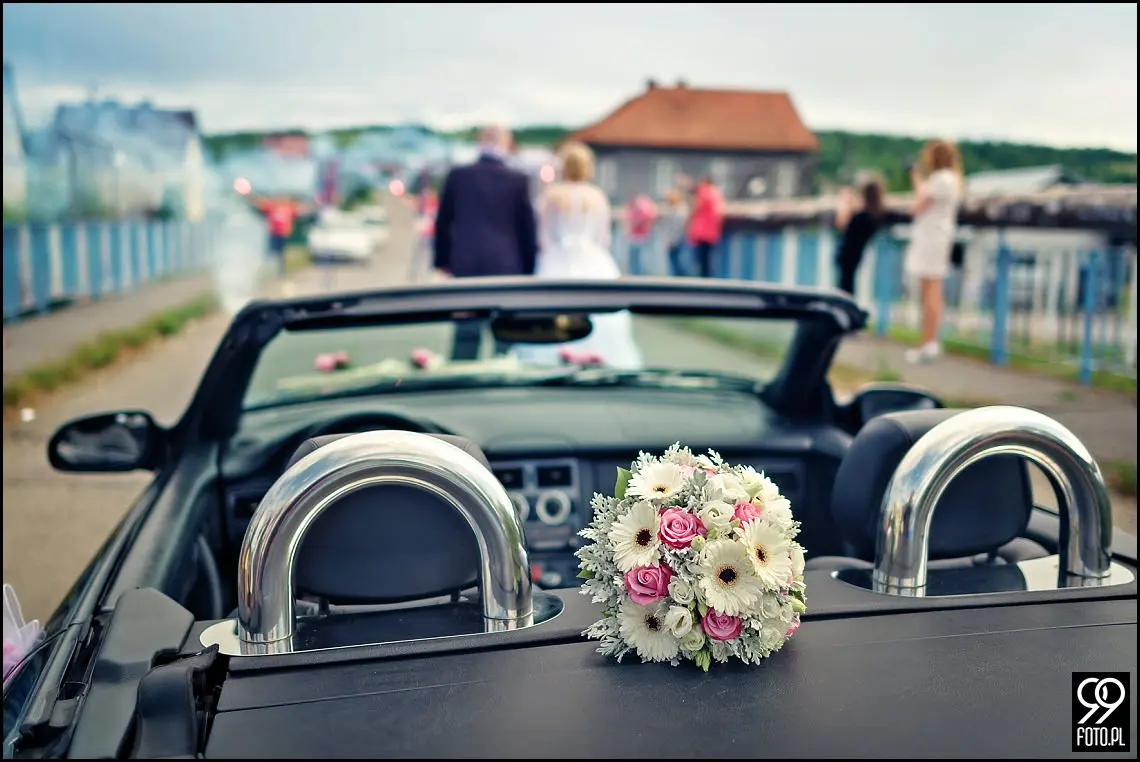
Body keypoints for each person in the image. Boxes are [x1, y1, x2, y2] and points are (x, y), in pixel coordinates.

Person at [512, 141, 643, 370]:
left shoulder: (552, 195)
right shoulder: (597, 196)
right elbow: (604, 240)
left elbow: (543, 239)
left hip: (558, 260)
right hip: (593, 261)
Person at [433, 125, 539, 360]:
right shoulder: (518, 180)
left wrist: (442, 261)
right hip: (507, 266)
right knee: (505, 335)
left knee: (466, 335)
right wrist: (530, 270)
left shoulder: (458, 175)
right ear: (506, 144)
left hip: (465, 265)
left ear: (480, 142)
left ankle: (462, 388)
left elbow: (442, 223)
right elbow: (527, 229)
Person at [903, 139, 964, 364]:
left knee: (930, 291)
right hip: (938, 237)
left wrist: (915, 176)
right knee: (932, 290)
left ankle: (928, 342)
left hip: (931, 238)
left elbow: (918, 205)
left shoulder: (941, 180)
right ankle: (929, 342)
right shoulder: (950, 180)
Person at [834, 177, 885, 297]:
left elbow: (841, 222)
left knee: (845, 286)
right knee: (848, 284)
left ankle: (846, 308)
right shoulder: (875, 214)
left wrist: (845, 200)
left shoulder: (860, 216)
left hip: (847, 254)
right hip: (855, 254)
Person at [686, 176, 725, 278]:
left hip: (701, 233)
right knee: (709, 261)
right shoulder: (717, 194)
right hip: (712, 233)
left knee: (700, 262)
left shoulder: (703, 193)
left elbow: (694, 209)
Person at [660, 188, 690, 277]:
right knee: (674, 263)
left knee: (678, 263)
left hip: (677, 240)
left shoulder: (679, 211)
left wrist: (672, 240)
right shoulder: (672, 210)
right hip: (672, 240)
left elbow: (678, 227)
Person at [625, 193, 657, 275]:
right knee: (636, 260)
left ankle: (641, 275)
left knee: (642, 260)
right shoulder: (637, 208)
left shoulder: (642, 208)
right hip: (636, 237)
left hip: (642, 237)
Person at [264, 199, 296, 277]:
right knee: (272, 253)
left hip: (283, 235)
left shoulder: (289, 209)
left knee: (281, 254)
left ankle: (281, 272)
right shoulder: (271, 208)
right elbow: (260, 204)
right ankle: (269, 271)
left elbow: (302, 210)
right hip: (274, 234)